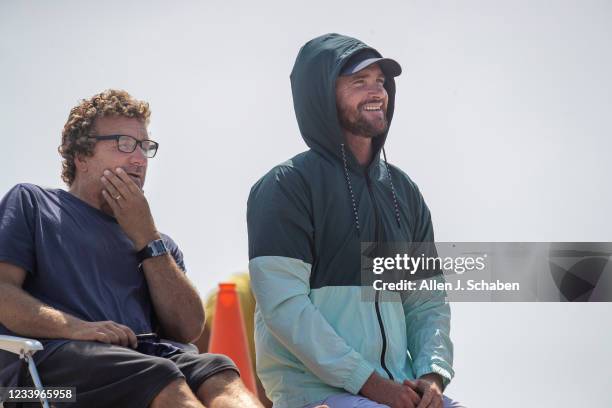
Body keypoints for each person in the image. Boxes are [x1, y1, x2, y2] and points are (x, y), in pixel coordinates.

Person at [0, 90, 262, 408]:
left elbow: (189, 329)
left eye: (145, 147)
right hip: (38, 382)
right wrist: (78, 329)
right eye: (124, 144)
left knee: (218, 372)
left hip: (139, 361)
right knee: (159, 376)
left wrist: (147, 238)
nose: (139, 159)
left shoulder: (157, 243)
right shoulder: (33, 204)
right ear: (81, 156)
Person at [247, 34, 464, 408]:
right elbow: (285, 308)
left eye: (380, 81)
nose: (377, 92)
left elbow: (427, 301)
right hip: (317, 394)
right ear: (321, 95)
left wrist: (431, 375)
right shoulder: (286, 187)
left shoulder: (403, 191)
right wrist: (369, 384)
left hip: (397, 391)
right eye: (358, 82)